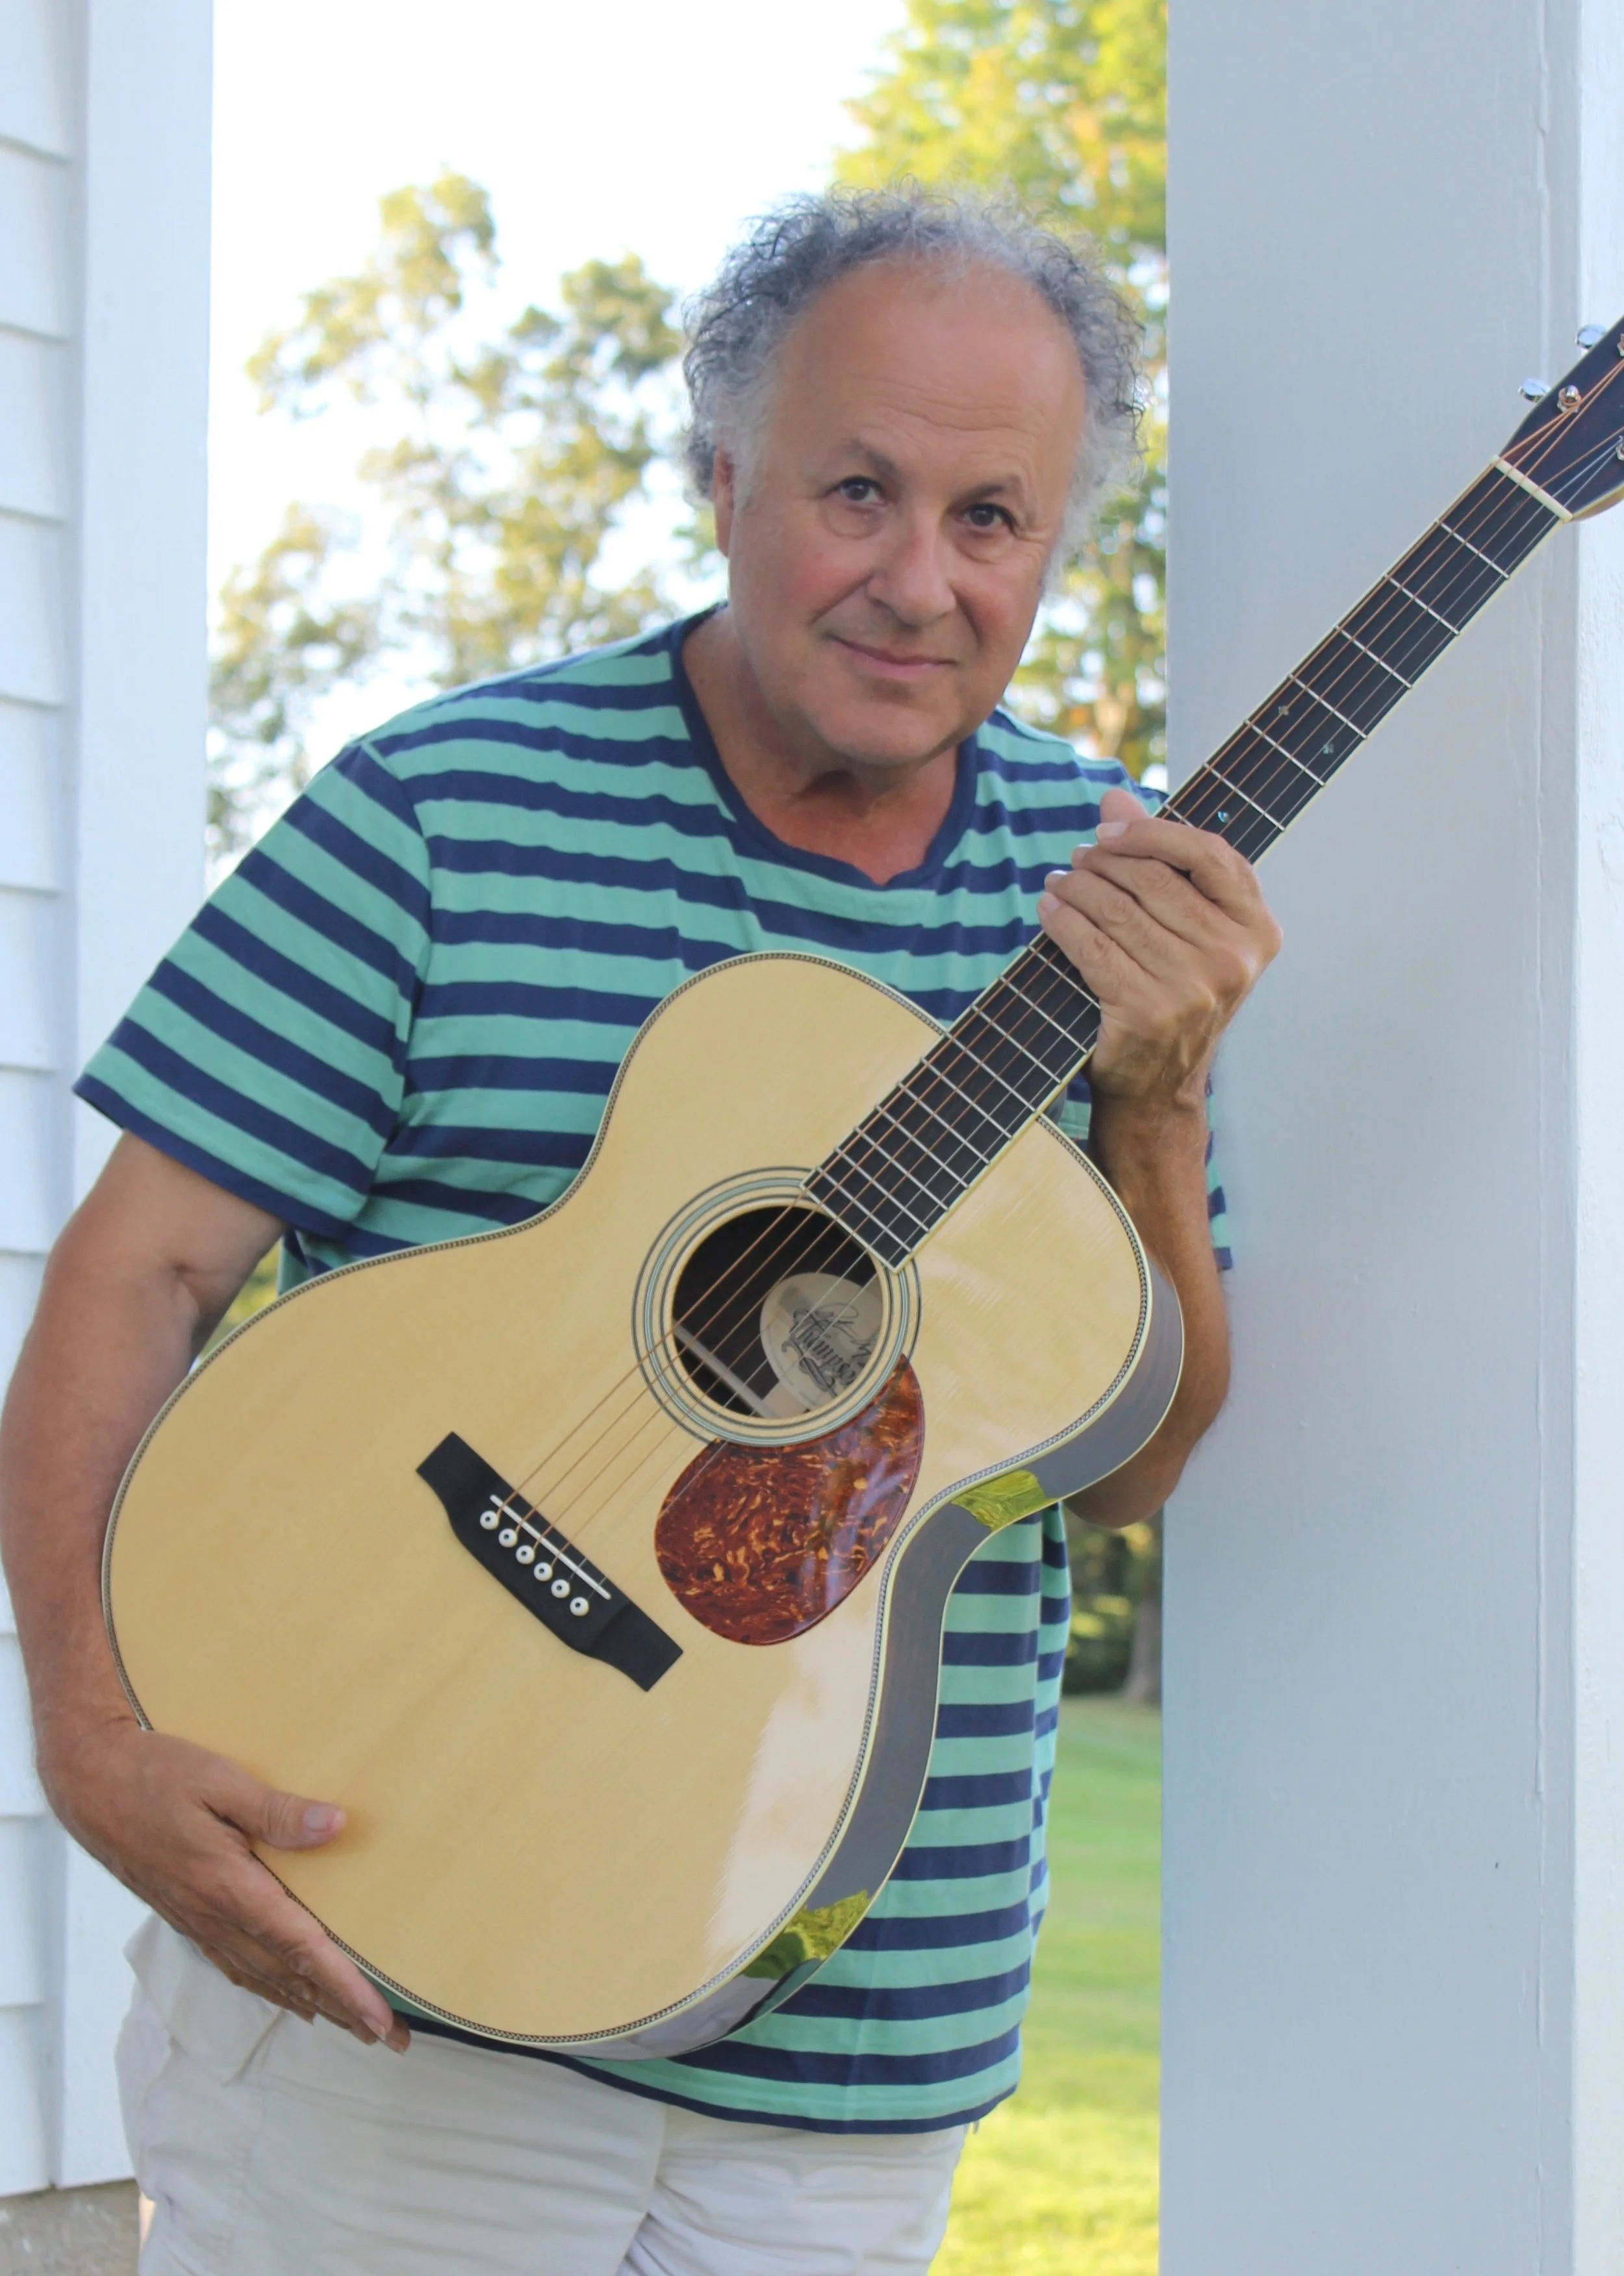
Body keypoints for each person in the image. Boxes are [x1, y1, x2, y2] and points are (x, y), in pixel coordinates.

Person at [0, 188, 1280, 2274]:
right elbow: (137, 1273)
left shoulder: (1111, 900)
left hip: (861, 2032)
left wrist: (1158, 1106)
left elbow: (1126, 1469)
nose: (920, 581)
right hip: (383, 1961)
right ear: (720, 477)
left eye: (990, 519)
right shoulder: (440, 812)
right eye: (856, 491)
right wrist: (88, 1735)